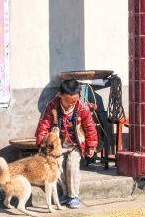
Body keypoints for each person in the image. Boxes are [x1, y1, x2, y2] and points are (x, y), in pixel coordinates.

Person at [36, 79, 98, 209]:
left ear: (79, 97)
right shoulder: (52, 107)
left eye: (74, 102)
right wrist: (42, 142)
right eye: (67, 101)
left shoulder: (82, 108)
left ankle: (74, 196)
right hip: (59, 146)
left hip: (76, 145)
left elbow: (90, 127)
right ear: (60, 95)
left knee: (72, 166)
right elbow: (44, 124)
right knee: (59, 168)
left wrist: (91, 145)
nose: (70, 105)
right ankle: (65, 193)